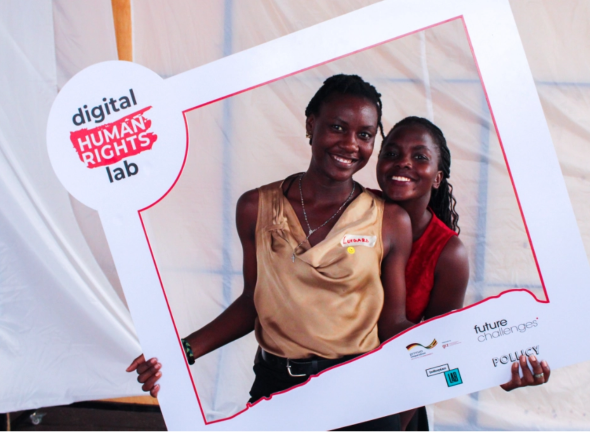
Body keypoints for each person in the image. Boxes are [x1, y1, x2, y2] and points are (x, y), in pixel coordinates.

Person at [128, 74, 413, 430]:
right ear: (311, 125)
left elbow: (395, 325)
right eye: (337, 127)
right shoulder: (256, 207)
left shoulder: (389, 221)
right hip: (278, 388)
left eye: (365, 135)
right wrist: (181, 353)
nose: (350, 144)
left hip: (359, 392)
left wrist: (481, 355)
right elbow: (254, 302)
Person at [375, 116, 551, 430]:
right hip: (322, 383)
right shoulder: (350, 216)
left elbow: (440, 352)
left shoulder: (447, 253)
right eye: (391, 153)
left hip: (394, 404)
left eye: (420, 157)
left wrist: (498, 368)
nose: (402, 163)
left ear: (438, 177)